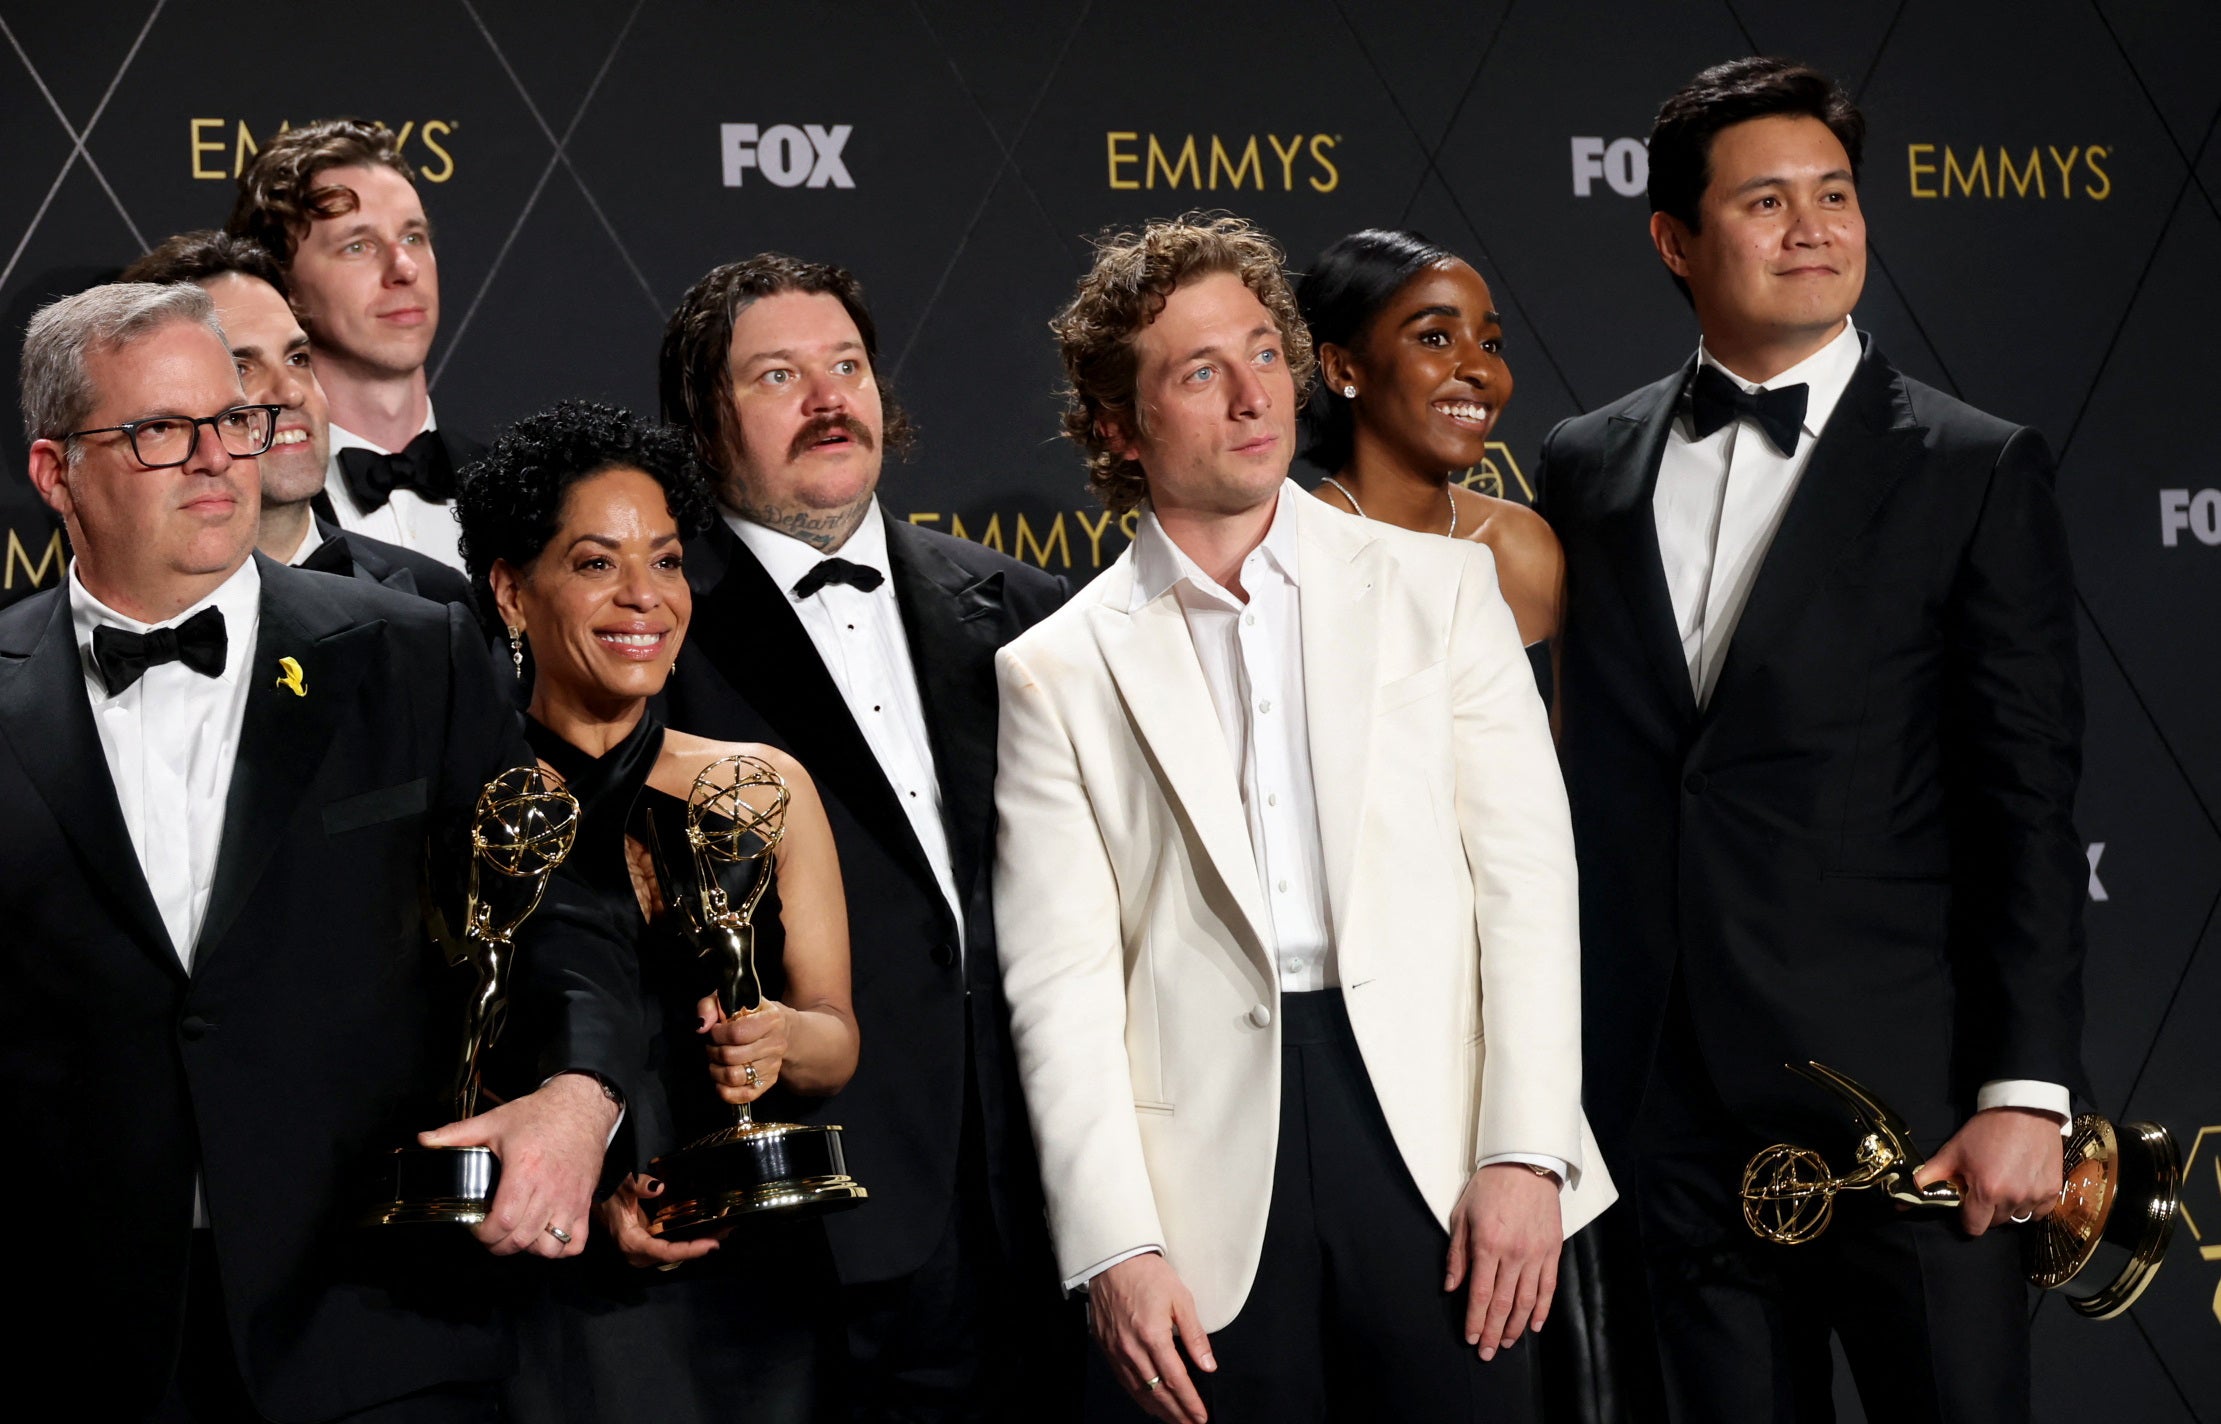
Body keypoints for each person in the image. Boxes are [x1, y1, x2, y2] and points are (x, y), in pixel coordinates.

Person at [1539, 57, 2084, 1423]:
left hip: (1912, 1112)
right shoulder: (1582, 465)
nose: (1814, 228)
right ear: (1674, 240)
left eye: (1834, 195)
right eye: (1766, 201)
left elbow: (2023, 797)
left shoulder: (1972, 465)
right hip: (1666, 1110)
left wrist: (2026, 1089)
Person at [999, 213, 1613, 1424]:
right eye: (1197, 372)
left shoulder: (1441, 591)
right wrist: (1114, 1243)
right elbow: (1059, 984)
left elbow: (1527, 889)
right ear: (1121, 428)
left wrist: (1525, 1150)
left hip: (1440, 1148)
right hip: (1203, 1189)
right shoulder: (1056, 669)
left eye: (1263, 353)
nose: (1249, 396)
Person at [1, 281, 635, 1420]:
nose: (215, 459)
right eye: (159, 432)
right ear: (55, 475)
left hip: (378, 1321)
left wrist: (580, 1095)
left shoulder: (414, 651)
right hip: (72, 1339)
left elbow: (567, 910)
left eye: (232, 419)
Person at [658, 252, 1080, 1421]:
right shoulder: (661, 635)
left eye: (846, 365)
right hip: (807, 1224)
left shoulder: (1023, 610)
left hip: (1037, 1198)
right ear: (703, 424)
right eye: (778, 375)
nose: (828, 397)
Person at [453, 400, 856, 1423]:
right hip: (542, 1299)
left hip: (752, 1297)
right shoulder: (466, 809)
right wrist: (589, 1208)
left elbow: (835, 1038)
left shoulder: (762, 787)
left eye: (667, 561)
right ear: (511, 589)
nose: (644, 596)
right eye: (595, 562)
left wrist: (776, 1041)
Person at [120, 229, 473, 607]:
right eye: (241, 368)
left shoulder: (436, 603)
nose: (290, 393)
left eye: (297, 359)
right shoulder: (100, 630)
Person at [230, 119, 477, 571]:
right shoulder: (243, 508)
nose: (404, 268)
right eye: (357, 246)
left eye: (412, 237)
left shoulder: (523, 489)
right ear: (284, 286)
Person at [1295, 229, 1562, 647]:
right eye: (1435, 338)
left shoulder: (1521, 544)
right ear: (1342, 369)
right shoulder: (1290, 556)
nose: (1482, 370)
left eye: (1491, 345)